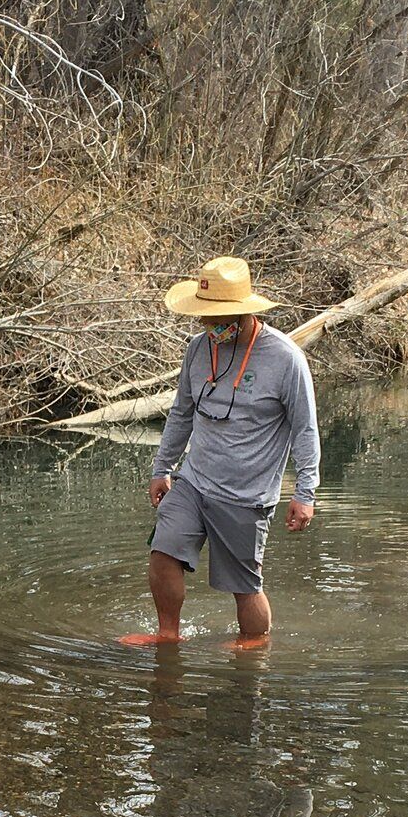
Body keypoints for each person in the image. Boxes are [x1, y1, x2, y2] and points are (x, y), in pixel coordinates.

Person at [141, 256, 320, 647]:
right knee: (163, 553)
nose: (208, 326)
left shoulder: (286, 359)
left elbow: (305, 429)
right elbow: (182, 411)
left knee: (245, 584)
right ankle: (168, 636)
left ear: (243, 314)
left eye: (216, 319)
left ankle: (255, 645)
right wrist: (162, 467)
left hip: (246, 494)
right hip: (193, 481)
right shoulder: (198, 348)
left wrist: (305, 493)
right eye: (203, 318)